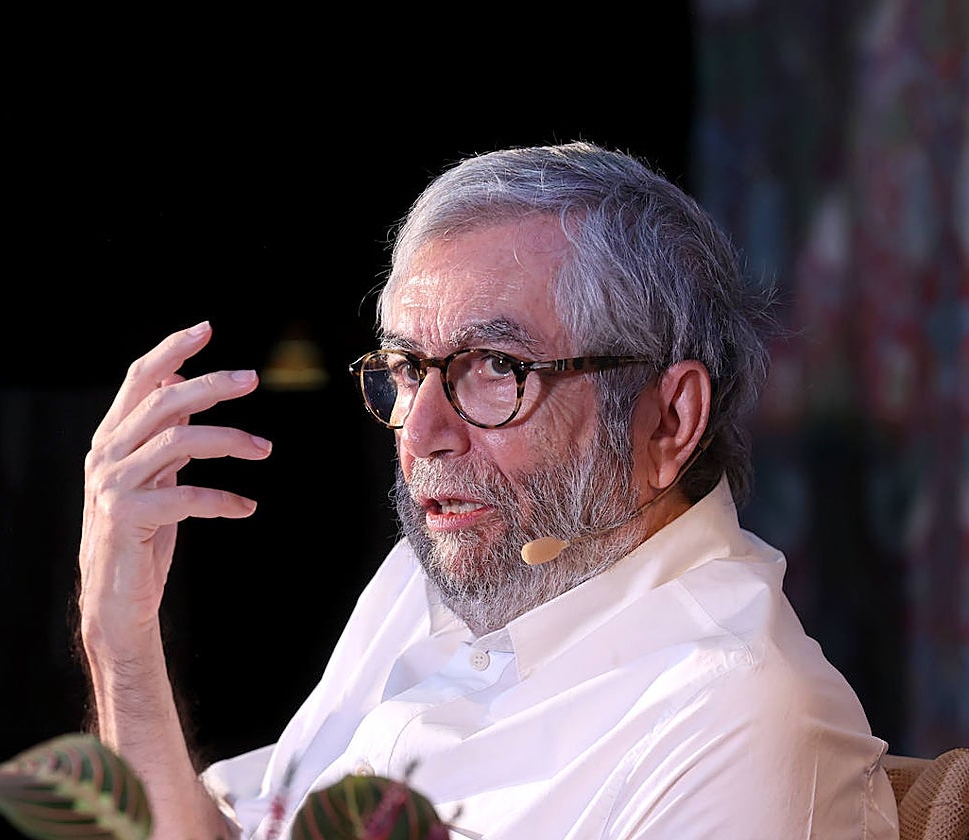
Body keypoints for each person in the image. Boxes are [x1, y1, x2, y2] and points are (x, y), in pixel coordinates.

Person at [75, 141, 899, 839]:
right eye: (406, 370)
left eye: (495, 370)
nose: (422, 432)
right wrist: (121, 645)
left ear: (669, 419)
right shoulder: (424, 579)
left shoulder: (734, 717)